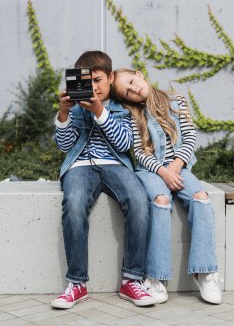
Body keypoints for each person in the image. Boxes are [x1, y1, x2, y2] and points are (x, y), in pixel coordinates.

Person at [51, 52, 156, 309]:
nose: (93, 87)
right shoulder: (76, 109)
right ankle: (77, 283)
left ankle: (132, 279)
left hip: (115, 165)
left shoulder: (122, 108)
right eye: (87, 82)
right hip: (80, 166)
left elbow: (124, 144)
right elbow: (65, 146)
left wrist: (99, 111)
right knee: (74, 202)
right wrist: (64, 114)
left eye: (97, 80)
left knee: (139, 200)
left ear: (110, 78)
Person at [111, 68, 223, 305]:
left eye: (132, 81)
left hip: (179, 167)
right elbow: (140, 153)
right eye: (127, 92)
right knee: (161, 201)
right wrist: (162, 171)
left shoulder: (176, 100)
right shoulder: (132, 113)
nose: (134, 89)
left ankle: (205, 272)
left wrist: (176, 165)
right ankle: (155, 277)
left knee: (201, 197)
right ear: (125, 99)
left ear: (140, 75)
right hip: (151, 170)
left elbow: (190, 136)